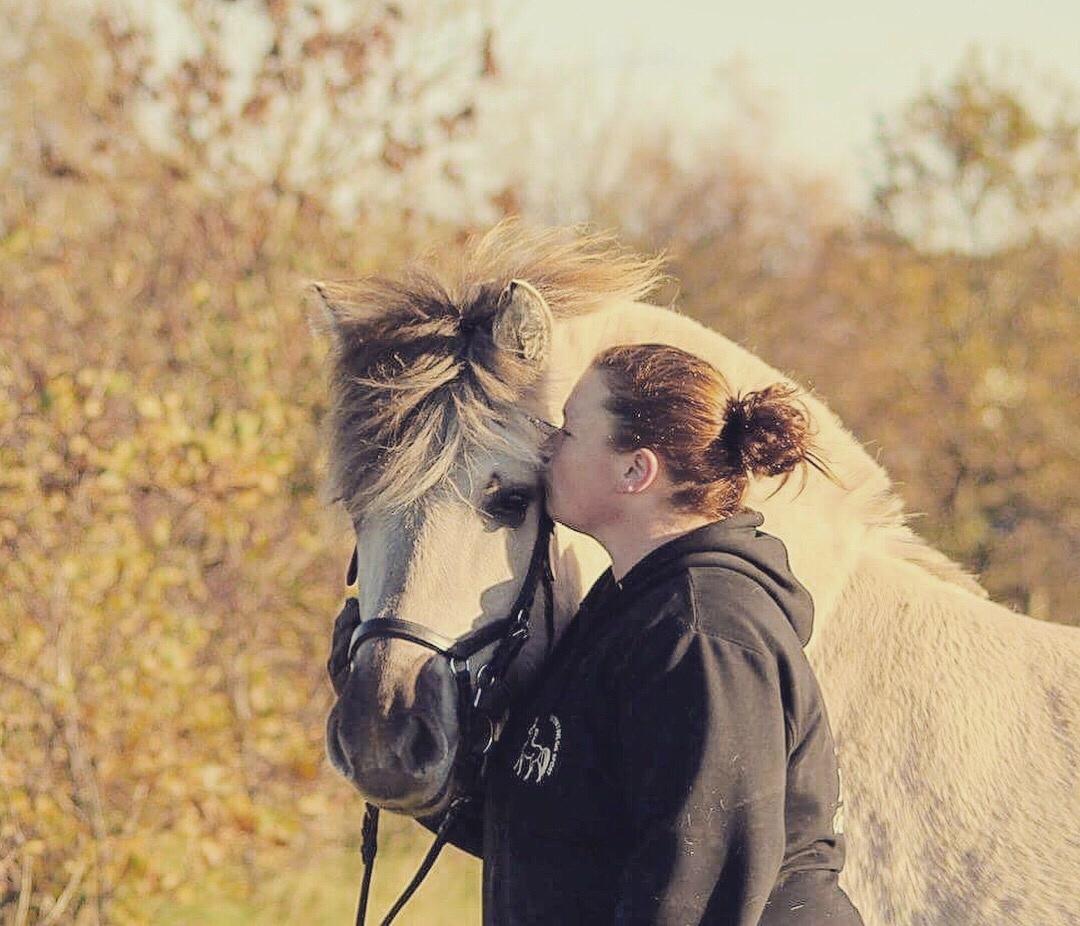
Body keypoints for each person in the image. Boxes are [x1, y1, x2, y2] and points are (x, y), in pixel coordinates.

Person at [422, 343, 864, 924]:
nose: (546, 447)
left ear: (636, 470)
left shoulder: (704, 632)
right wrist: (414, 757)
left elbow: (696, 889)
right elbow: (552, 829)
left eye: (568, 431)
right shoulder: (627, 604)